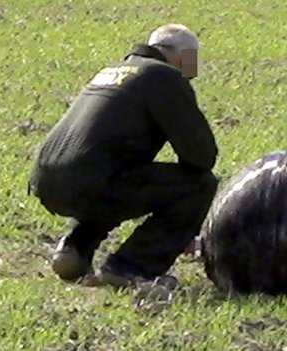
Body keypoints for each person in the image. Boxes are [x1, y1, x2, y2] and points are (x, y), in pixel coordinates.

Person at [28, 23, 219, 290]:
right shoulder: (163, 77)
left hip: (47, 180)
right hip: (92, 183)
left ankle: (74, 250)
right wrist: (182, 224)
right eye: (193, 60)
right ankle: (131, 267)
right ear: (182, 55)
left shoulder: (112, 71)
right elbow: (201, 156)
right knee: (199, 184)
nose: (194, 70)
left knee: (117, 175)